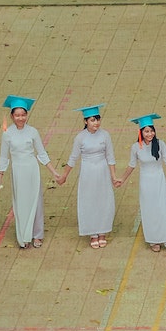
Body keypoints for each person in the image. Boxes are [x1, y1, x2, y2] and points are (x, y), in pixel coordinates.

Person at [117, 114, 166, 255]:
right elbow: (131, 165)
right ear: (141, 132)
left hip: (159, 180)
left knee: (163, 209)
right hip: (145, 182)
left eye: (151, 131)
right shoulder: (135, 147)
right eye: (146, 131)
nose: (149, 134)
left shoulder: (161, 144)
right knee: (149, 210)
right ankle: (153, 240)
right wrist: (122, 179)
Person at [58, 105, 119, 248]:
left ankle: (103, 231)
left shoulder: (105, 135)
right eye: (92, 120)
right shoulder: (80, 138)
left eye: (97, 119)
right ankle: (92, 233)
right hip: (88, 172)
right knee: (89, 200)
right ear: (86, 121)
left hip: (102, 171)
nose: (96, 123)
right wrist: (64, 175)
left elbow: (110, 157)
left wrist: (113, 176)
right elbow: (73, 158)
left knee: (104, 199)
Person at [0, 96, 52, 249]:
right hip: (18, 171)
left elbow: (41, 153)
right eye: (17, 115)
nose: (21, 118)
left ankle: (37, 235)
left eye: (23, 114)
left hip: (32, 169)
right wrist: (0, 176)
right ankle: (23, 236)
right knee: (20, 203)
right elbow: (4, 156)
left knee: (36, 201)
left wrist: (54, 172)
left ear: (27, 115)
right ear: (12, 116)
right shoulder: (7, 134)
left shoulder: (33, 132)